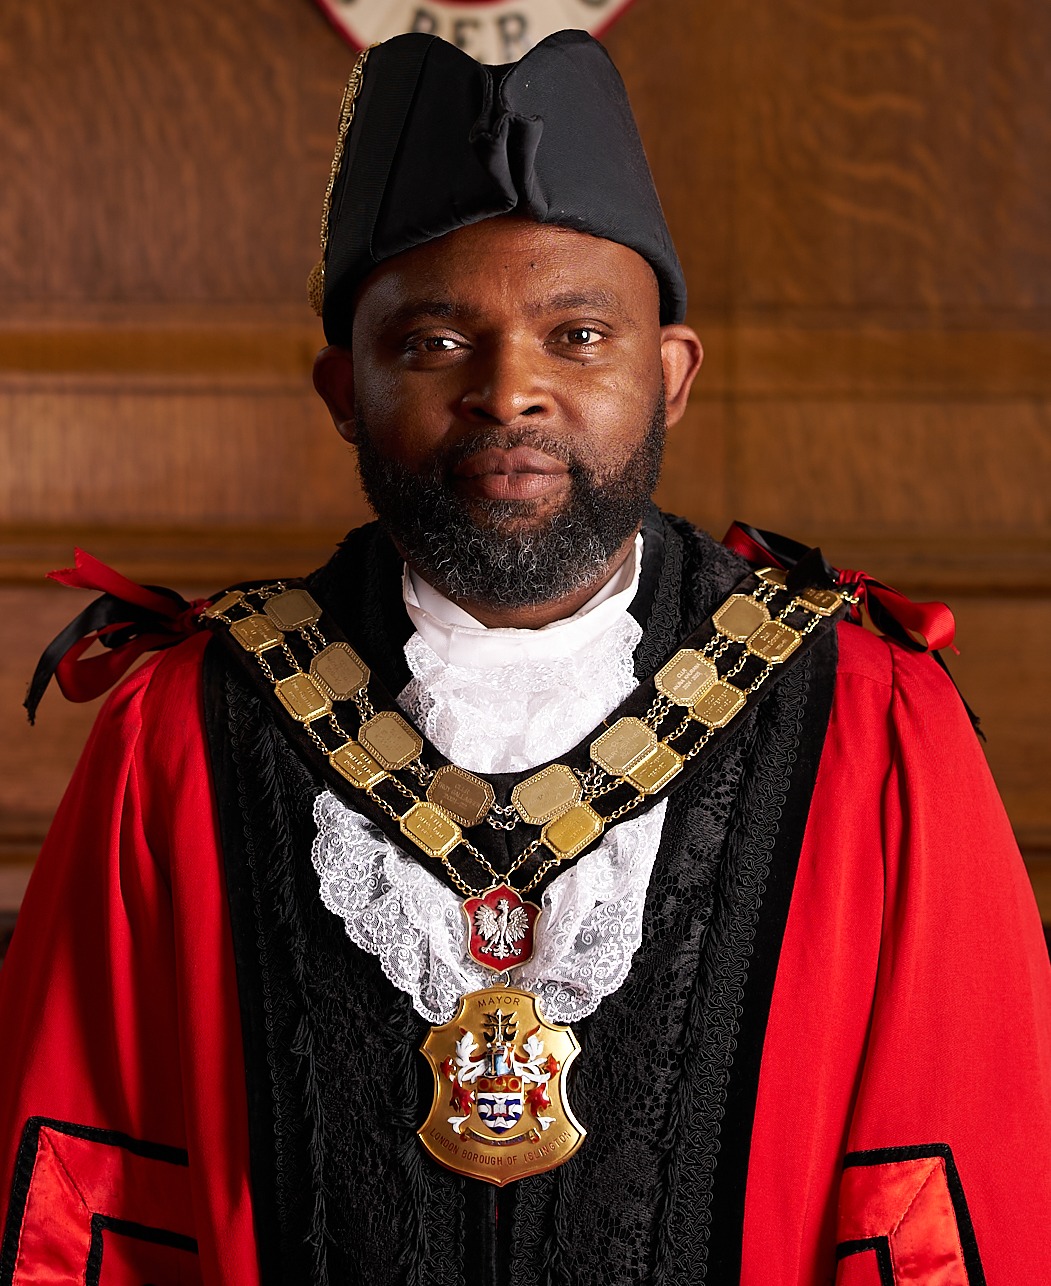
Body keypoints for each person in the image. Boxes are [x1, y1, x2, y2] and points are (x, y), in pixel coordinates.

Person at [1, 29, 1049, 1286]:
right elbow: (84, 1198)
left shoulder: (872, 724)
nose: (509, 392)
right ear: (342, 387)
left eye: (579, 334)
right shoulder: (179, 725)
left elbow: (947, 1201)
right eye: (435, 343)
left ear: (669, 376)